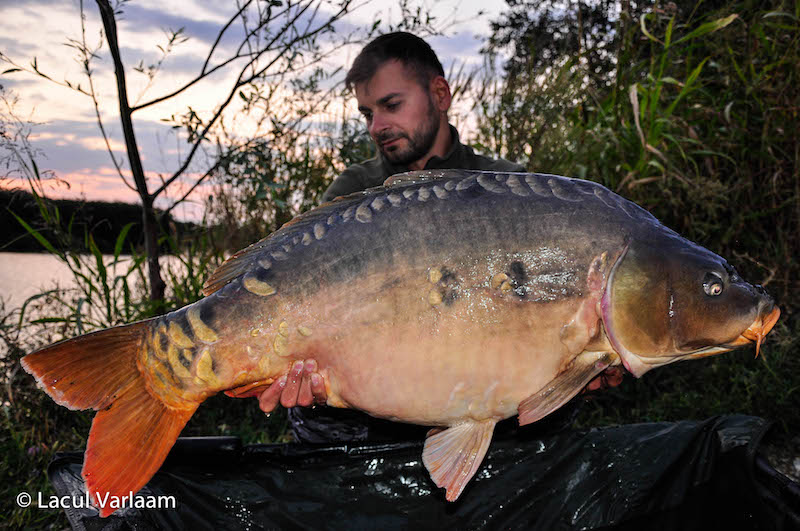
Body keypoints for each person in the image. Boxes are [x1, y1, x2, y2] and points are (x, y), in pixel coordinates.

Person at [255, 32, 622, 441]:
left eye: (391, 105)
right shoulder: (352, 193)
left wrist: (585, 368)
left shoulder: (511, 189)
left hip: (494, 408)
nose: (378, 126)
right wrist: (317, 386)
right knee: (316, 420)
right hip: (377, 410)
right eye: (366, 113)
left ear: (440, 94)